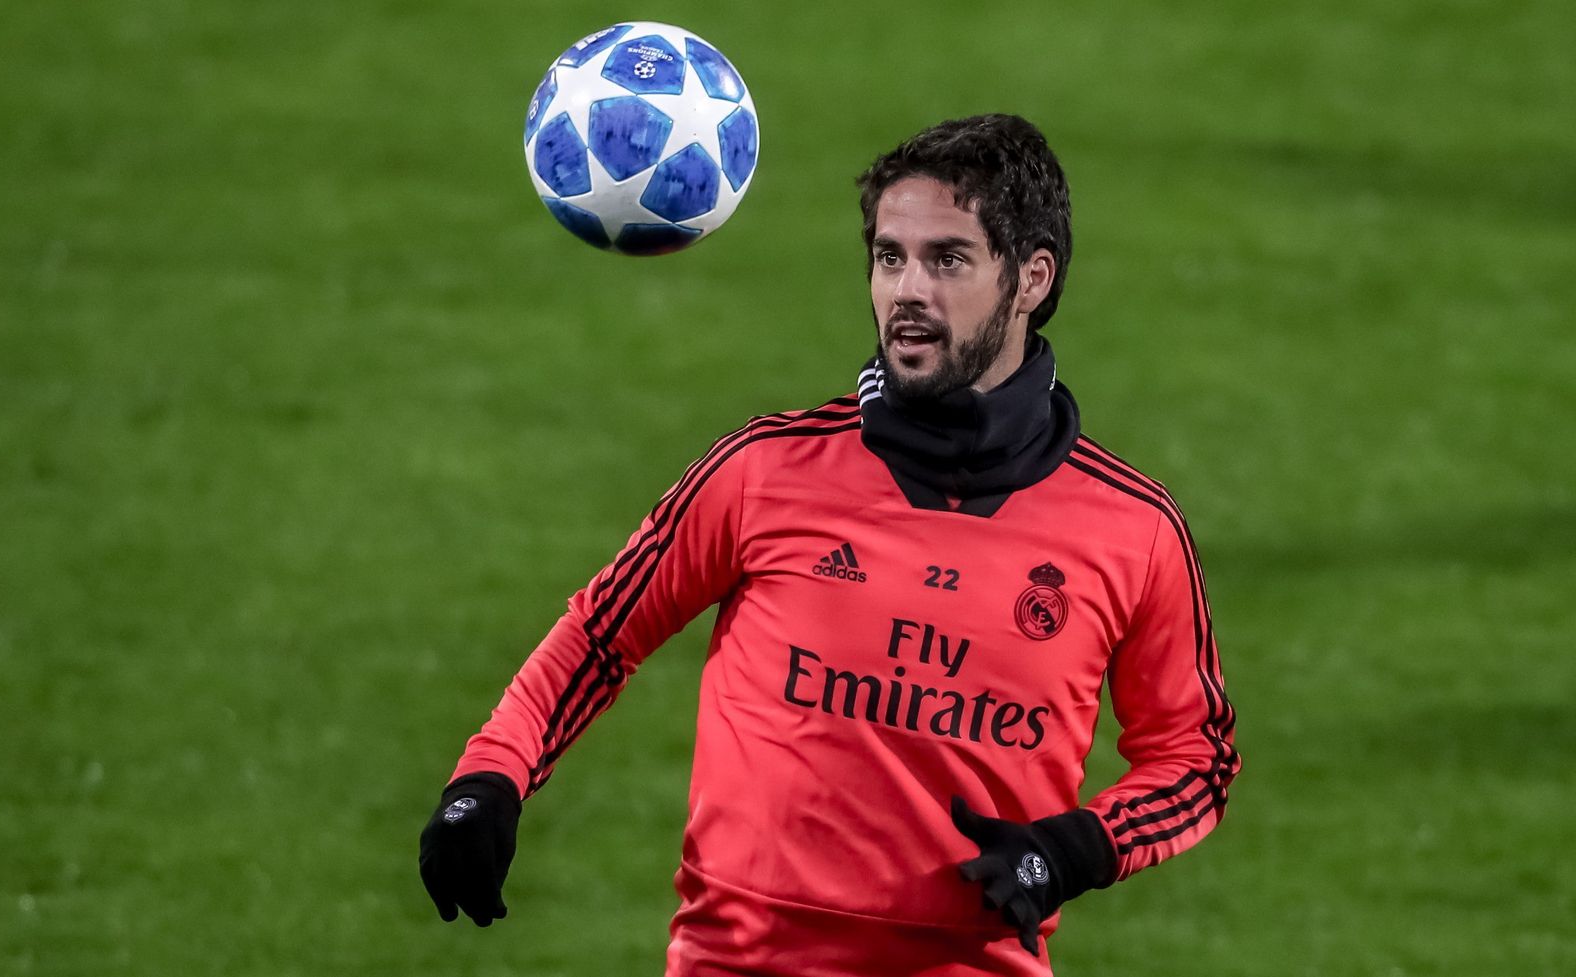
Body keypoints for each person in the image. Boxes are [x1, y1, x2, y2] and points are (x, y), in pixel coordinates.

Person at [419, 113, 1240, 976]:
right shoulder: (763, 472)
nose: (905, 291)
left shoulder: (1133, 532)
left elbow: (1196, 756)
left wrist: (1073, 850)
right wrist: (490, 781)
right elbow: (598, 635)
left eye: (946, 259)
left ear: (1032, 277)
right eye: (890, 256)